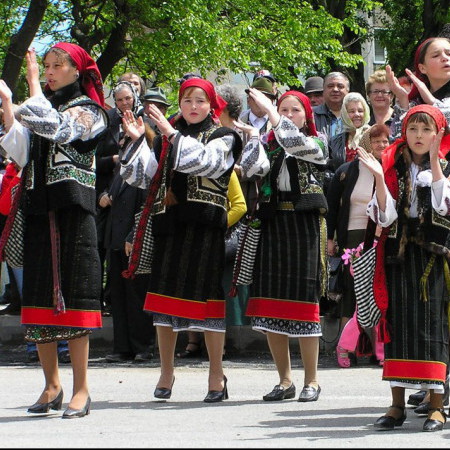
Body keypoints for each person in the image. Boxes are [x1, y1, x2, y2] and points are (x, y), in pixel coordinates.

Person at [0, 42, 107, 418]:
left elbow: (59, 130)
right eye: (45, 66)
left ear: (77, 70)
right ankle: (51, 385)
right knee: (39, 298)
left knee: (74, 298)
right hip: (38, 206)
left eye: (57, 65)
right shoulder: (40, 106)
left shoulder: (91, 111)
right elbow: (22, 149)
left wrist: (28, 87)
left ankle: (81, 389)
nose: (48, 71)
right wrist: (7, 107)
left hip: (73, 209)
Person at [119, 78, 242, 402]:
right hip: (170, 226)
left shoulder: (224, 135)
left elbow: (206, 161)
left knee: (209, 303)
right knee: (164, 300)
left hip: (205, 229)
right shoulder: (167, 138)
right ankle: (166, 371)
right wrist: (137, 143)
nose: (192, 106)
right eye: (187, 100)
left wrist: (170, 136)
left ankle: (216, 373)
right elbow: (146, 177)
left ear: (212, 105)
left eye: (200, 100)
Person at [358, 104, 450, 432]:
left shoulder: (446, 167)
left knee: (431, 328)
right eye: (413, 129)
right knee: (396, 326)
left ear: (439, 133)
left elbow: (444, 207)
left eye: (427, 129)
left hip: (433, 260)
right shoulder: (392, 165)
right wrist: (380, 178)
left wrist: (438, 162)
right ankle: (397, 404)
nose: (419, 136)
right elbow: (384, 216)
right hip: (398, 256)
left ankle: (437, 406)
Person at [234, 89, 327, 403]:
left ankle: (311, 380)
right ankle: (285, 380)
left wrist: (273, 117)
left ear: (306, 115)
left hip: (303, 225)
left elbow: (295, 144)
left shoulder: (318, 143)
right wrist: (253, 138)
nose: (288, 115)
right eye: (283, 109)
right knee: (270, 303)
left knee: (304, 303)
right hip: (273, 224)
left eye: (294, 110)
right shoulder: (269, 143)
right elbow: (247, 169)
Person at [326, 124, 391, 367]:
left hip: (379, 237)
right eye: (376, 141)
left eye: (385, 141)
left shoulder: (389, 169)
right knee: (353, 293)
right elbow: (332, 207)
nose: (381, 146)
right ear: (365, 142)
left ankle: (377, 349)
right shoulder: (346, 170)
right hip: (351, 239)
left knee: (377, 295)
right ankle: (347, 348)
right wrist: (331, 239)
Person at [95, 80, 144, 315]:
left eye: (129, 98)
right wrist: (116, 160)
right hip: (108, 194)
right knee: (102, 249)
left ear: (135, 98)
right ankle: (101, 300)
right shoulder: (107, 123)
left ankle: (118, 303)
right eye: (120, 99)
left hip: (135, 195)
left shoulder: (146, 123)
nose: (125, 103)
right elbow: (95, 162)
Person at [103, 152, 156, 363]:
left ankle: (143, 346)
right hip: (114, 240)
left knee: (137, 296)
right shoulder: (120, 171)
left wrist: (134, 234)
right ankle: (122, 347)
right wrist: (103, 196)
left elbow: (146, 207)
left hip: (133, 240)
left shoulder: (144, 170)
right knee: (118, 296)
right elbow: (108, 190)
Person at [387, 37, 450, 140]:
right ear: (422, 68)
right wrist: (403, 101)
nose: (445, 58)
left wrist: (432, 101)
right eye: (436, 55)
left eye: (449, 54)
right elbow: (397, 143)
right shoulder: (416, 104)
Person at [327, 92, 371, 174]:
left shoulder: (373, 136)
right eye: (352, 111)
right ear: (345, 114)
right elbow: (329, 168)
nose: (357, 114)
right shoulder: (335, 141)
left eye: (360, 111)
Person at [313, 71, 350, 141]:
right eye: (330, 86)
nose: (335, 89)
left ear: (348, 91)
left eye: (340, 86)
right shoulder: (311, 116)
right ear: (323, 90)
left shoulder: (356, 116)